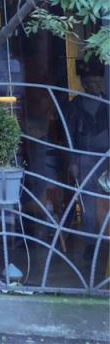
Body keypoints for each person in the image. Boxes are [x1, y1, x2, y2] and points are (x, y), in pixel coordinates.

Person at [68, 58, 110, 255]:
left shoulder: (107, 102)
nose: (93, 86)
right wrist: (72, 161)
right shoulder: (75, 105)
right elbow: (70, 136)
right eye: (89, 82)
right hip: (84, 158)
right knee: (88, 203)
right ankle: (91, 243)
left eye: (97, 82)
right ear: (83, 83)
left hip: (107, 158)